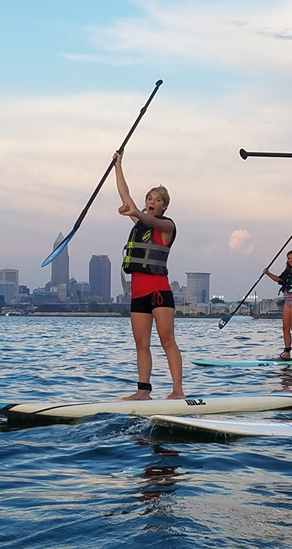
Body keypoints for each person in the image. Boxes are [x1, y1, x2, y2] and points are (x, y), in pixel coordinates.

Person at [114, 150, 185, 401]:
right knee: (141, 344)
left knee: (167, 341)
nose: (152, 201)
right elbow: (125, 194)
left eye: (158, 199)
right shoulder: (139, 222)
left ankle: (177, 390)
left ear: (164, 206)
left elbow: (150, 221)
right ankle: (143, 391)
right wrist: (118, 164)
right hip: (138, 294)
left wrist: (134, 212)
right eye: (149, 198)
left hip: (159, 293)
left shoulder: (167, 226)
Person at [264, 227, 292, 360]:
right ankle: (287, 352)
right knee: (285, 328)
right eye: (289, 258)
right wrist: (268, 273)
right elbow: (278, 280)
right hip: (287, 301)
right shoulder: (287, 271)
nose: (291, 260)